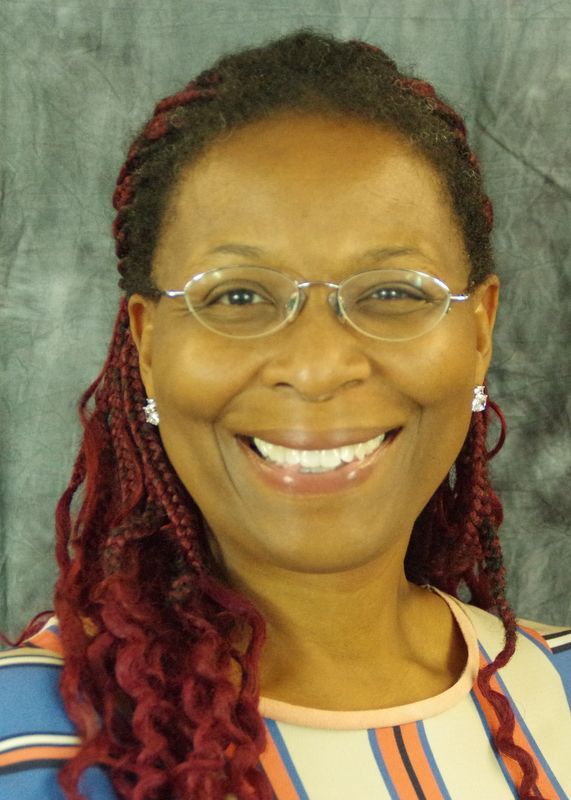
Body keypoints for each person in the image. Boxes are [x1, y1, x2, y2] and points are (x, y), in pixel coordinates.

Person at [0, 30, 569, 800]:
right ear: (149, 343)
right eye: (237, 296)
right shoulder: (32, 732)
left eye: (392, 292)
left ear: (477, 333)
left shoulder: (560, 691)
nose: (316, 367)